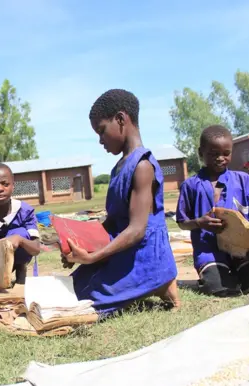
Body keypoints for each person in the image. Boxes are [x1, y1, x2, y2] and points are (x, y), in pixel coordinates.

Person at [61, 89, 180, 314]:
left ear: (121, 119)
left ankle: (160, 278)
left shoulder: (142, 166)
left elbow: (136, 230)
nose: (100, 141)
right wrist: (77, 245)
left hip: (142, 255)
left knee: (83, 304)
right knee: (71, 289)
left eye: (101, 131)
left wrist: (93, 257)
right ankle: (159, 282)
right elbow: (114, 221)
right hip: (121, 250)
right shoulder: (119, 167)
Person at [176, 125, 249, 297]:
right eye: (213, 154)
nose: (220, 158)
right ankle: (217, 276)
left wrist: (247, 231)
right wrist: (200, 222)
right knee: (221, 289)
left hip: (241, 250)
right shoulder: (191, 185)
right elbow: (182, 222)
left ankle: (247, 271)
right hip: (209, 251)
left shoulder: (243, 180)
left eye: (226, 153)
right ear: (201, 153)